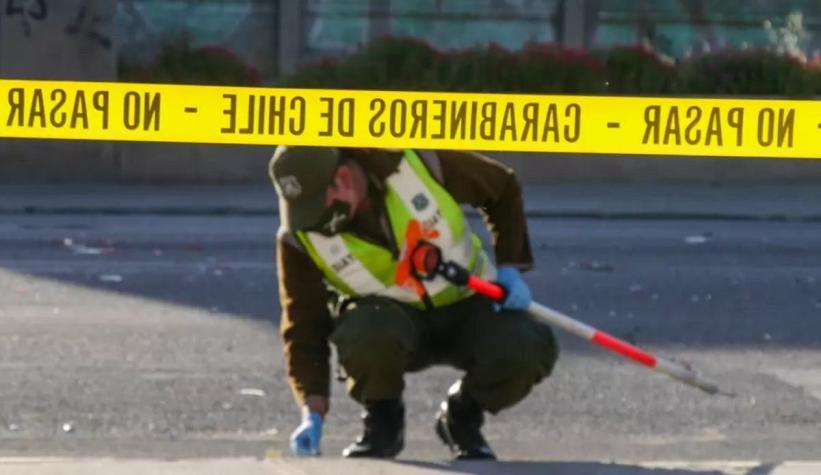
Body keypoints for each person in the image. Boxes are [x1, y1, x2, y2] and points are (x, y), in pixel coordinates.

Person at [271, 146, 559, 460]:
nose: (312, 222)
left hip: (468, 307)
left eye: (316, 207)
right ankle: (383, 423)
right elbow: (303, 326)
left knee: (528, 346)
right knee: (364, 331)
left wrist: (509, 267)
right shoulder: (299, 238)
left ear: (343, 179)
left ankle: (462, 416)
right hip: (389, 325)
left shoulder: (418, 164)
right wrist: (311, 411)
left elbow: (501, 186)